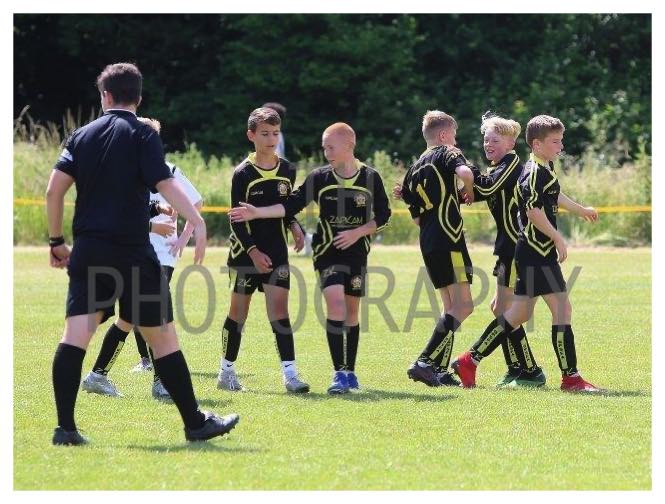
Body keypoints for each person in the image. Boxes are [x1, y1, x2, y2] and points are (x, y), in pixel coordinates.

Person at [46, 62, 239, 445]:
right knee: (163, 337)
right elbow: (164, 183)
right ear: (138, 97)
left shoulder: (80, 136)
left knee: (75, 336)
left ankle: (65, 429)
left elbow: (54, 191)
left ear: (105, 96)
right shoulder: (143, 134)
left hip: (90, 249)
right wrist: (196, 220)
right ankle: (195, 423)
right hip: (134, 253)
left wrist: (56, 242)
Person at [229, 122, 391, 394]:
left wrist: (357, 232)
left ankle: (349, 371)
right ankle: (338, 374)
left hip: (357, 254)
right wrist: (258, 213)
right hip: (327, 254)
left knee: (352, 313)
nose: (326, 153)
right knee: (336, 305)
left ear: (349, 146)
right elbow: (290, 205)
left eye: (331, 147)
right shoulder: (319, 177)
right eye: (324, 148)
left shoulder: (370, 177)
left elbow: (384, 216)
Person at [451, 115, 604, 392]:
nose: (561, 146)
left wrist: (581, 210)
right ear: (537, 144)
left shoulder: (544, 167)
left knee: (518, 314)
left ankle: (468, 360)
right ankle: (571, 378)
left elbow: (554, 195)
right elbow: (533, 211)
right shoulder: (533, 172)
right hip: (537, 251)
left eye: (560, 140)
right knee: (561, 309)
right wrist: (557, 237)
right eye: (555, 141)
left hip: (531, 251)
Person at [79, 116, 204, 400]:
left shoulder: (168, 171)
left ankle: (106, 376)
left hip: (161, 256)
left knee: (143, 316)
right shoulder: (122, 172)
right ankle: (104, 376)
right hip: (132, 252)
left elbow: (196, 203)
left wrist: (182, 239)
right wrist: (152, 225)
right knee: (136, 317)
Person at [218, 107, 310, 393]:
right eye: (265, 134)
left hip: (277, 251)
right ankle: (226, 372)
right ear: (251, 135)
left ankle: (290, 375)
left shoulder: (288, 170)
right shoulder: (242, 173)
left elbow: (285, 207)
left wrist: (294, 225)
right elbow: (236, 219)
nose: (271, 139)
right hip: (246, 254)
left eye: (275, 133)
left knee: (280, 312)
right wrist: (254, 252)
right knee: (238, 314)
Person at [394, 110, 476, 388]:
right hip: (449, 238)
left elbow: (417, 218)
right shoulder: (447, 153)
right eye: (454, 134)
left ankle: (439, 370)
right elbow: (465, 172)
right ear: (443, 135)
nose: (456, 140)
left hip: (428, 241)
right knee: (464, 306)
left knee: (450, 307)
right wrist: (469, 190)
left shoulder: (413, 170)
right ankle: (424, 361)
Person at [462, 114, 545, 387]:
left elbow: (486, 187)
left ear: (510, 144)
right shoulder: (498, 167)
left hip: (515, 246)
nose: (488, 144)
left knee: (504, 309)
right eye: (486, 140)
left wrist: (466, 168)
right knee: (501, 308)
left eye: (495, 140)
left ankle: (527, 369)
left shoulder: (510, 164)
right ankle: (521, 369)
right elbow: (477, 191)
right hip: (506, 247)